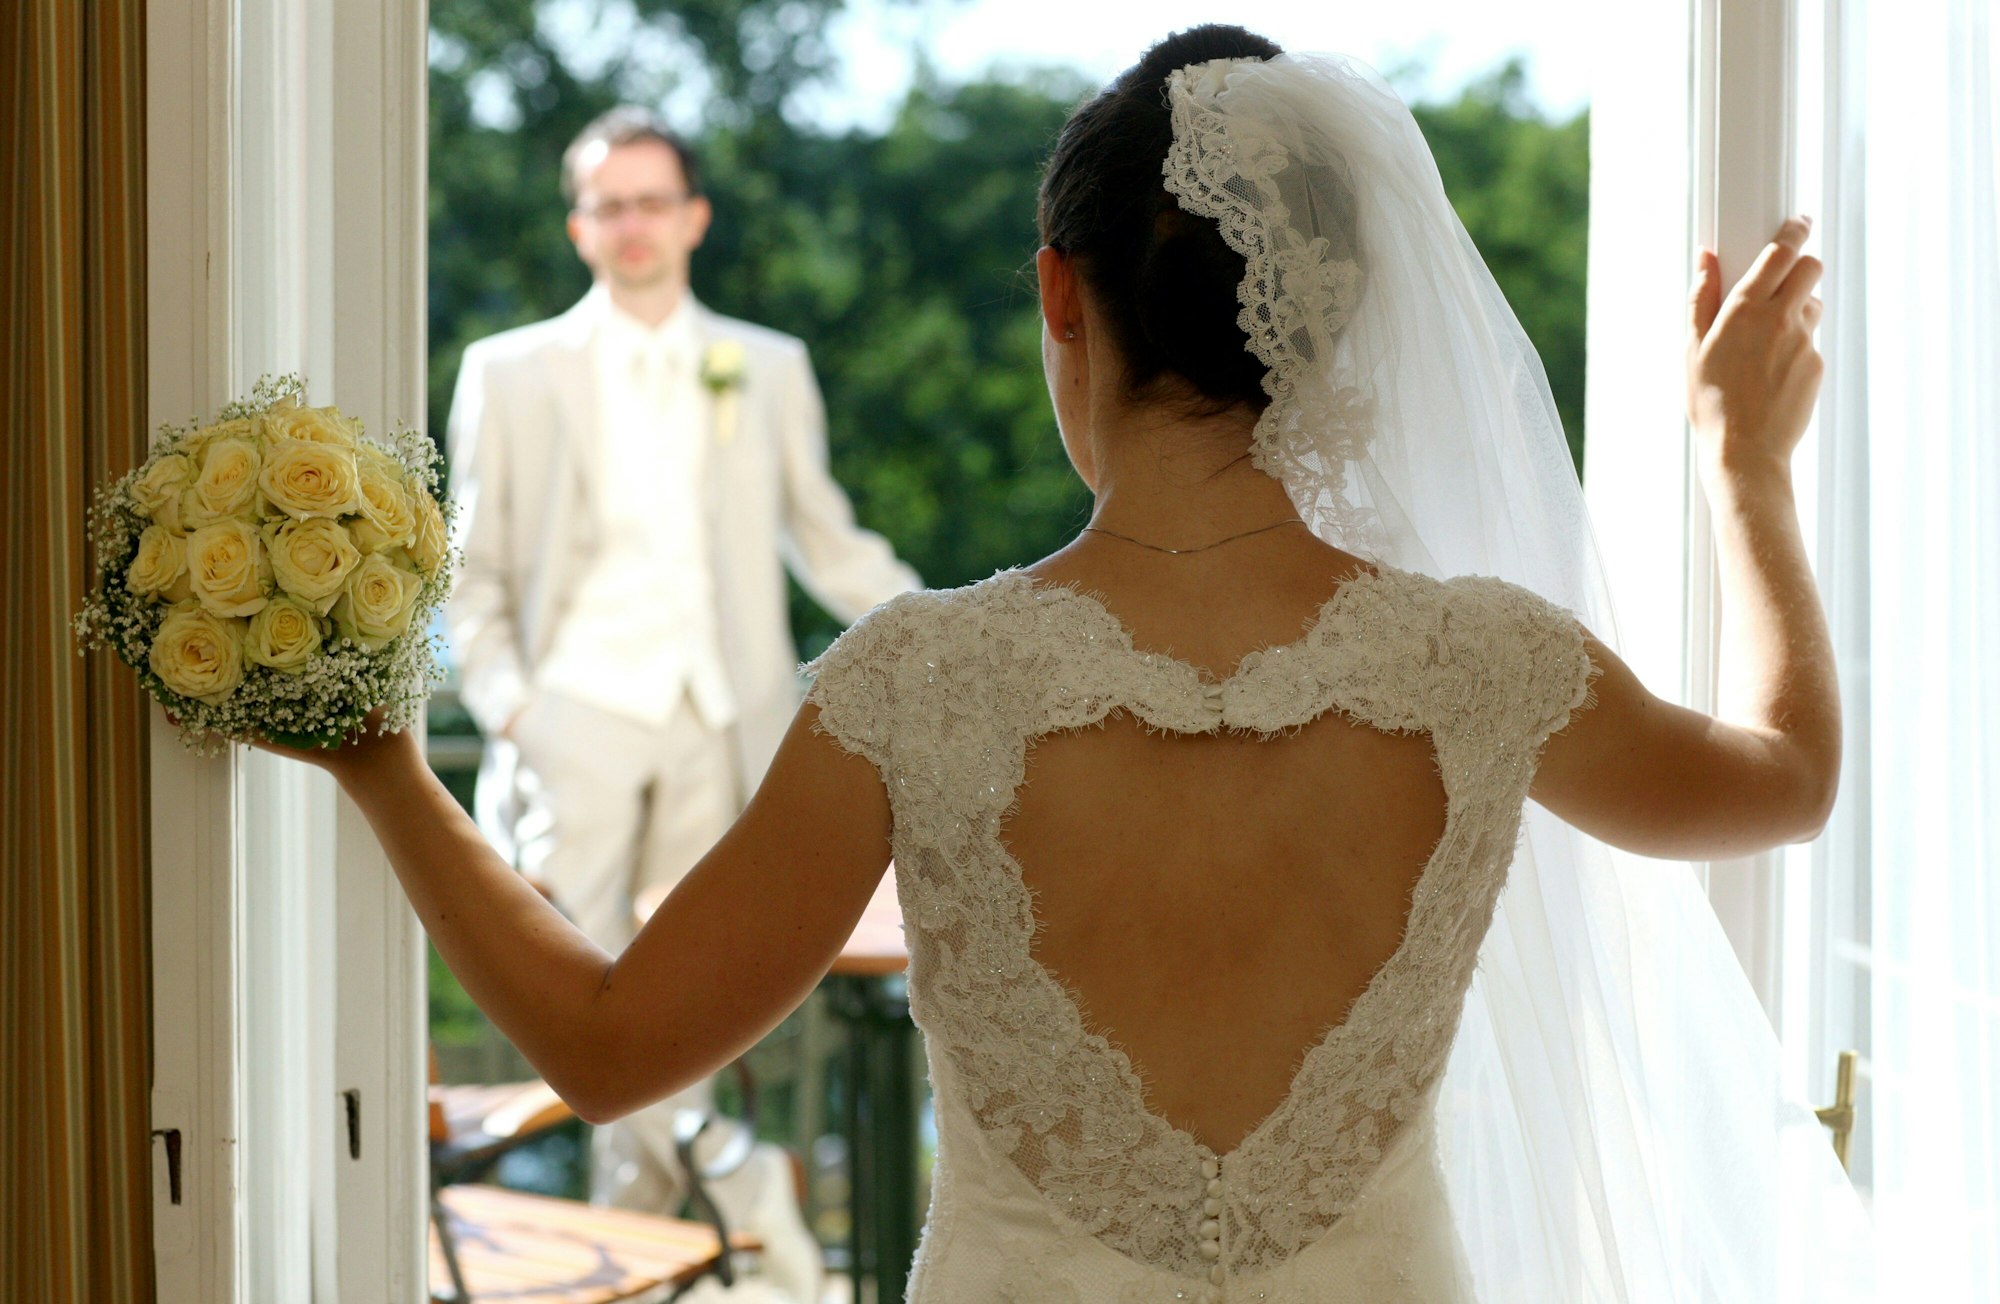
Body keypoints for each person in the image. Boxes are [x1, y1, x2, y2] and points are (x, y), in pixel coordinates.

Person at [279, 26, 1872, 1302]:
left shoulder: (920, 684)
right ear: (1340, 322)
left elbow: (608, 1047)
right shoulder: (1485, 662)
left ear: (1061, 294)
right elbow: (1787, 780)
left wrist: (382, 760)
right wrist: (1744, 470)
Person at [442, 106, 916, 1295]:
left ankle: (653, 1266)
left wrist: (947, 623)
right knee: (589, 1003)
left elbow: (826, 538)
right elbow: (472, 574)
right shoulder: (508, 371)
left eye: (654, 200)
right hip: (572, 727)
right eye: (611, 204)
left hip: (722, 716)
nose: (635, 224)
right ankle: (734, 1182)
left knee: (688, 1000)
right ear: (578, 225)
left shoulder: (763, 364)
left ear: (693, 216)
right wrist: (511, 711)